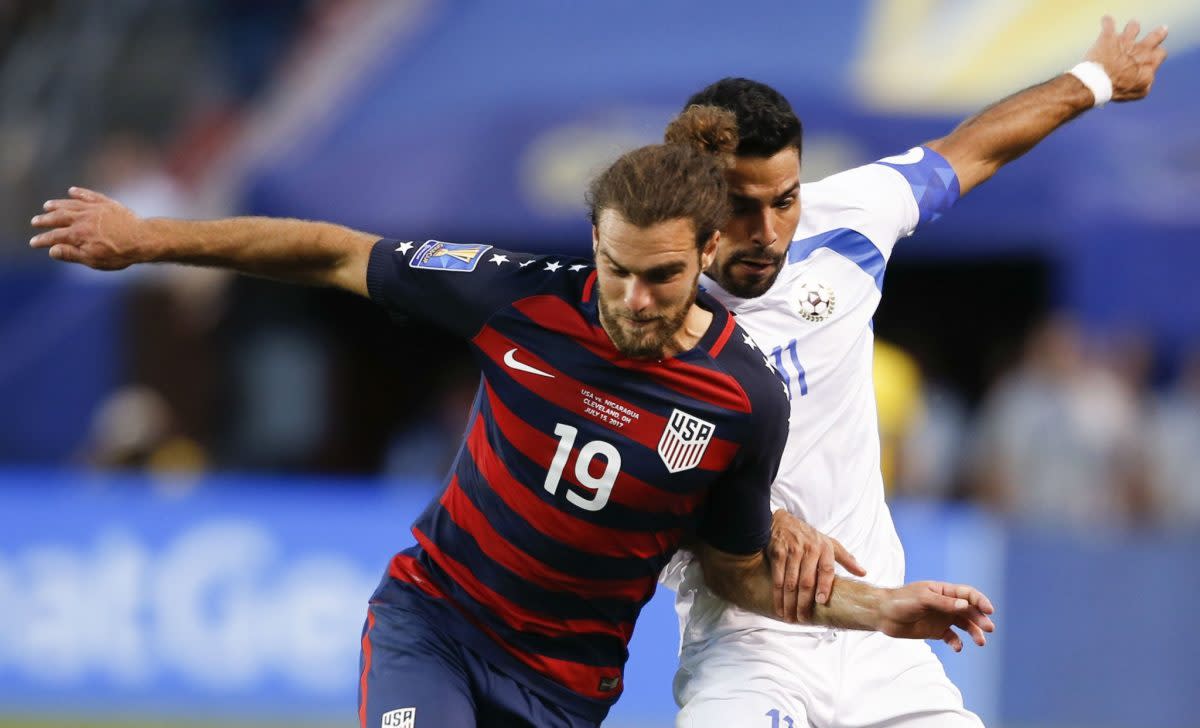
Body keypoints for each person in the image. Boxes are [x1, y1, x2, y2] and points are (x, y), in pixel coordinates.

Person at [31, 109, 994, 727]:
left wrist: (881, 610)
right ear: (593, 244)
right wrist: (148, 237)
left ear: (706, 253)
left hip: (565, 688)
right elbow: (332, 252)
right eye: (615, 268)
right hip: (436, 627)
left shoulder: (745, 401)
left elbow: (736, 572)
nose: (633, 298)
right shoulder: (519, 301)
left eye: (661, 276)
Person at [664, 16, 1167, 728]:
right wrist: (762, 518)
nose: (769, 232)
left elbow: (972, 148)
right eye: (741, 207)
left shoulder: (849, 221)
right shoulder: (646, 307)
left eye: (784, 199)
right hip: (750, 642)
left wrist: (1094, 80)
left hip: (880, 648)